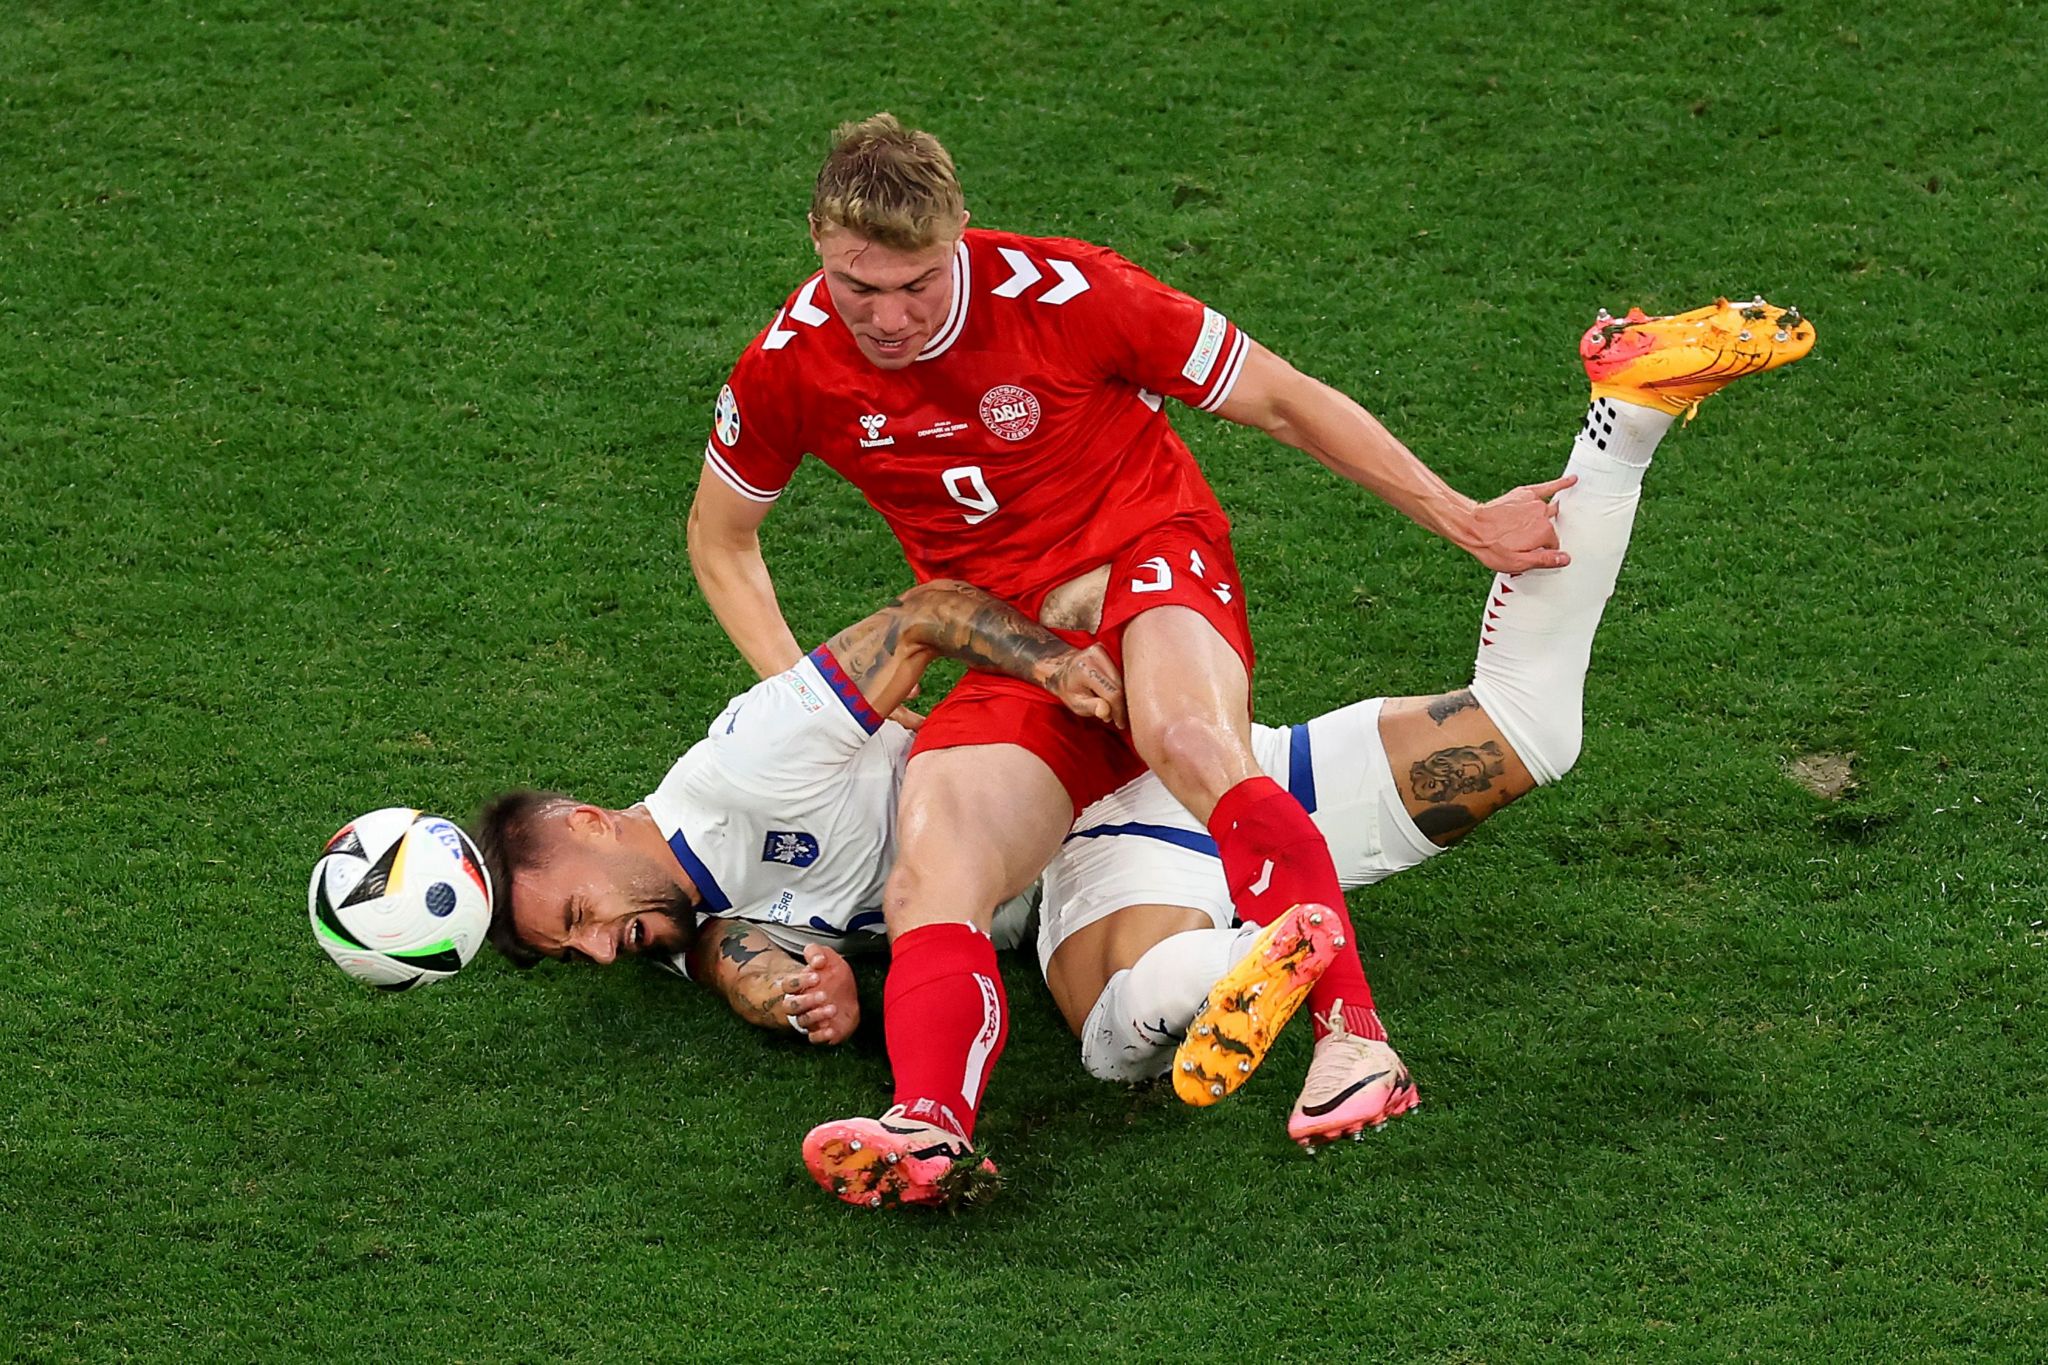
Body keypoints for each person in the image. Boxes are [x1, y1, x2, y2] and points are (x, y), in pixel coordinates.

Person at [486, 297, 1814, 1205]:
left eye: (583, 921)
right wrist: (778, 987)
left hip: (1087, 806)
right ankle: (1627, 415)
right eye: (574, 951)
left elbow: (916, 620)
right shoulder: (696, 909)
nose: (604, 947)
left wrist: (1040, 656)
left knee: (1115, 1031)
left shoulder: (740, 772)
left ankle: (1231, 971)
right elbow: (731, 952)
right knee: (1528, 730)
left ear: (595, 824)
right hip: (1220, 774)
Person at [686, 111, 1577, 1201]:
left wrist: (1464, 520)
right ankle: (928, 1125)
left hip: (1149, 561)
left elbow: (1285, 403)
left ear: (959, 233)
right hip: (1012, 647)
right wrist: (831, 712)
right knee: (931, 873)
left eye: (914, 284)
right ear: (817, 245)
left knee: (1187, 732)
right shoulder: (788, 364)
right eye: (854, 287)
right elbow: (719, 537)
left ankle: (1355, 1039)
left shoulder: (1071, 294)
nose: (885, 317)